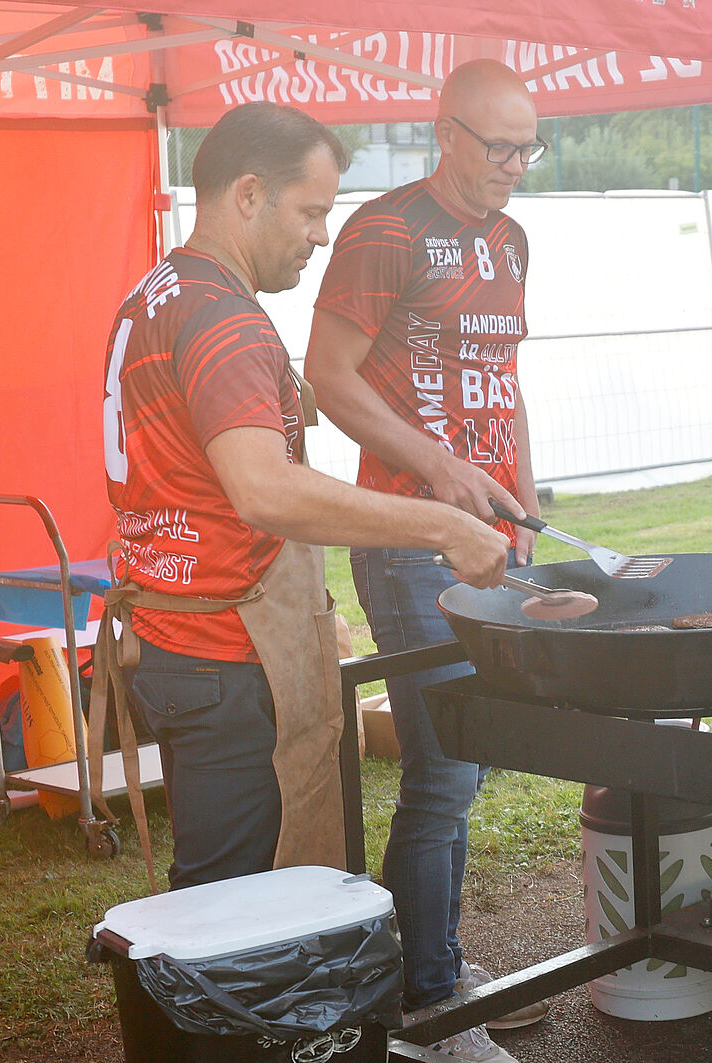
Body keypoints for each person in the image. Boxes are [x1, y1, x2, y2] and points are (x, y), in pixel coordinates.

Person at [96, 103, 509, 896]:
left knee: (218, 884)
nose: (321, 235)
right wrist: (443, 523)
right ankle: (221, 1027)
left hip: (169, 634)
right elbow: (263, 489)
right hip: (225, 652)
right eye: (312, 211)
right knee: (235, 901)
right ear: (248, 195)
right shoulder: (226, 320)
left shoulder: (156, 293)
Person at [306, 60, 547, 1063]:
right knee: (442, 772)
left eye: (529, 149)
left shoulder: (512, 239)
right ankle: (430, 1005)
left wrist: (525, 501)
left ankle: (434, 959)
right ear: (444, 133)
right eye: (498, 148)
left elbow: (508, 379)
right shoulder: (385, 230)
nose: (515, 168)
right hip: (408, 537)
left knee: (469, 761)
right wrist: (441, 467)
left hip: (492, 537)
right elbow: (326, 377)